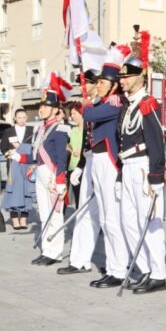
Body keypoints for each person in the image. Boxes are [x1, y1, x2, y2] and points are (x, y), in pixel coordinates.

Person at [117, 53, 166, 294]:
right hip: (127, 168)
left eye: (126, 77)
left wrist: (156, 177)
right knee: (128, 222)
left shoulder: (148, 104)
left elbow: (157, 141)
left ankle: (158, 274)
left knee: (148, 223)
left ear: (139, 78)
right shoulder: (128, 105)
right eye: (122, 77)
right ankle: (145, 268)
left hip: (143, 168)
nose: (122, 81)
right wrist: (119, 177)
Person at [84, 59, 129, 289]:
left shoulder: (114, 101)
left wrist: (85, 101)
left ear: (113, 85)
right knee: (104, 217)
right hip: (98, 160)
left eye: (102, 82)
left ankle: (118, 269)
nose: (98, 85)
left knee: (112, 218)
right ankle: (113, 266)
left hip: (109, 162)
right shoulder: (103, 101)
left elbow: (88, 116)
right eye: (98, 82)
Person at [12, 89, 70, 264]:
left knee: (55, 214)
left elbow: (61, 157)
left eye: (46, 106)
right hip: (40, 173)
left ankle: (56, 252)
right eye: (41, 105)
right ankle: (47, 250)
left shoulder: (60, 128)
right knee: (44, 214)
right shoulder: (39, 128)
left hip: (52, 175)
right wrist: (18, 156)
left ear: (55, 109)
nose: (42, 109)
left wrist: (60, 180)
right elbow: (35, 155)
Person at [58, 97, 102, 276]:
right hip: (88, 163)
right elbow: (86, 147)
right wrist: (80, 167)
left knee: (109, 221)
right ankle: (79, 260)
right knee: (83, 215)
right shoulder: (91, 116)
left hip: (105, 166)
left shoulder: (101, 112)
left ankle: (117, 266)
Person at [0, 109, 35, 230]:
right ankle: (14, 218)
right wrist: (11, 154)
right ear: (15, 118)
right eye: (19, 117)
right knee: (13, 191)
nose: (22, 120)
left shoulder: (31, 130)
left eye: (24, 117)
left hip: (27, 165)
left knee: (26, 191)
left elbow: (35, 147)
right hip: (13, 165)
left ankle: (24, 218)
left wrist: (23, 149)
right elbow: (3, 147)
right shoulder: (8, 131)